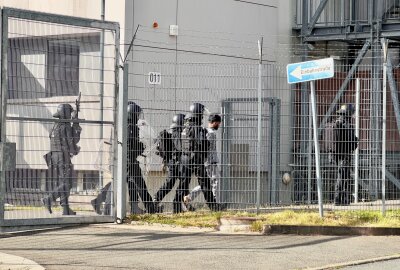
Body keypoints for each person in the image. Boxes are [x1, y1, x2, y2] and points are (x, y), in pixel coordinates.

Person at [91, 101, 156, 214]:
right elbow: (129, 145)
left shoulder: (125, 125)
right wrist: (141, 147)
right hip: (127, 160)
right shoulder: (129, 127)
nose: (138, 117)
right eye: (136, 114)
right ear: (132, 114)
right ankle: (149, 209)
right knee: (136, 184)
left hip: (125, 159)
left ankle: (132, 208)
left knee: (124, 182)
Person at [173, 103, 218, 213]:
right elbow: (201, 142)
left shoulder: (186, 126)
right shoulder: (196, 127)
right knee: (206, 183)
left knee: (183, 184)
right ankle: (214, 207)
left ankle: (176, 208)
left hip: (185, 158)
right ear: (198, 114)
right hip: (195, 158)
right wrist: (206, 146)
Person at [42, 103, 81, 215]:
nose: (71, 115)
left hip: (53, 156)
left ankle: (65, 208)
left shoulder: (56, 125)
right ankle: (48, 199)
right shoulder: (65, 126)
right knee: (67, 183)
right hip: (62, 157)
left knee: (63, 182)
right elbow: (73, 141)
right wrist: (76, 125)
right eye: (70, 112)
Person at [183, 113, 222, 208]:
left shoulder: (204, 131)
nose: (219, 125)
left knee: (206, 183)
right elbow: (208, 148)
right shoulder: (211, 133)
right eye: (218, 123)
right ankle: (214, 203)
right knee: (215, 182)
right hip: (210, 161)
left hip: (206, 161)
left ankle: (189, 197)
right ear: (215, 122)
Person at [153, 114, 185, 211]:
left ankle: (179, 204)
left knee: (176, 183)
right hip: (176, 162)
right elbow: (179, 147)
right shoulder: (177, 133)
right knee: (177, 183)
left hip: (173, 161)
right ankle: (176, 204)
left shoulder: (172, 131)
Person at [332, 104, 358, 206]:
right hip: (344, 155)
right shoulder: (346, 124)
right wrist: (356, 141)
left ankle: (339, 200)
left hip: (336, 154)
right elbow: (352, 142)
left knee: (340, 175)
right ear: (349, 113)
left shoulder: (336, 122)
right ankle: (342, 200)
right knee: (344, 177)